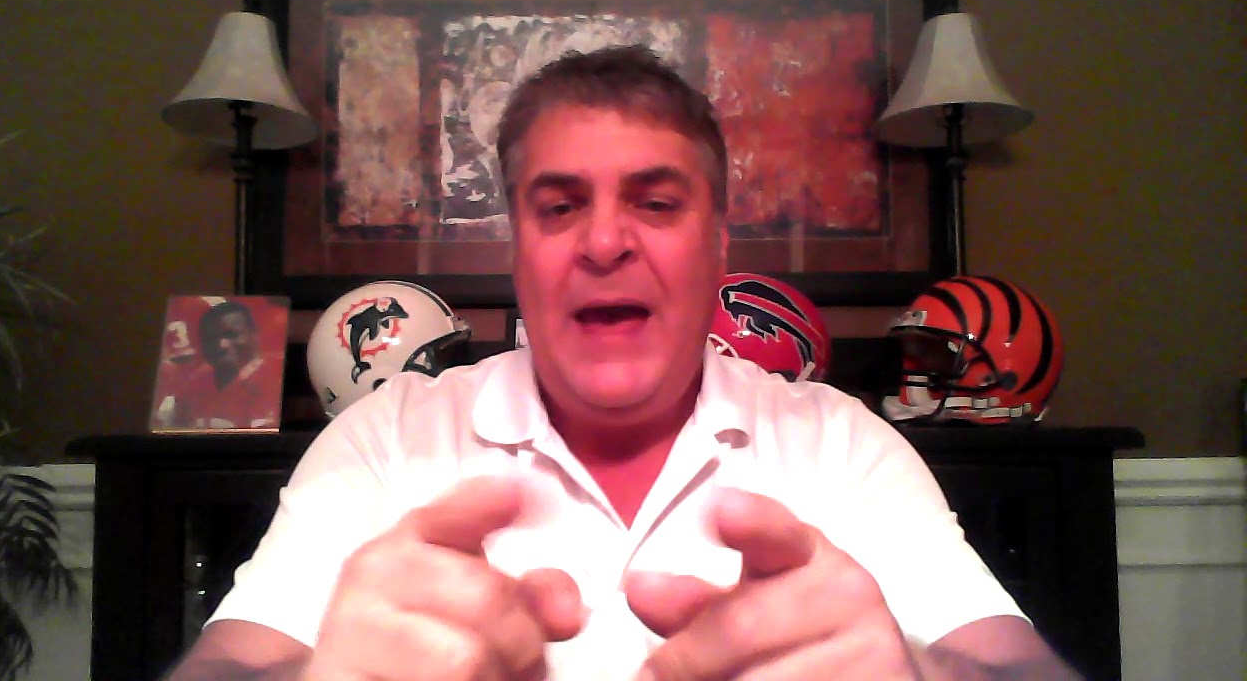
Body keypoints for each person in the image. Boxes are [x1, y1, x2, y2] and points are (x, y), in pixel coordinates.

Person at [165, 46, 1078, 680]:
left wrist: (917, 672)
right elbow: (228, 664)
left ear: (719, 246)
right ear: (516, 250)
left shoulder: (843, 445)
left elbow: (1016, 667)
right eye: (560, 207)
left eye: (656, 202)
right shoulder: (387, 438)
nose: (605, 242)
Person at [169, 300, 280, 430]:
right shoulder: (193, 387)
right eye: (211, 338)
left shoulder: (278, 377)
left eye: (231, 334)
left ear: (254, 334)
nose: (221, 344)